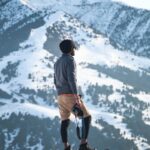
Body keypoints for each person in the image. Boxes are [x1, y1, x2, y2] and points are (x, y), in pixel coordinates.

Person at [54, 39, 94, 150]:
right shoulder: (70, 60)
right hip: (69, 95)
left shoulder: (57, 63)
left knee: (65, 121)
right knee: (87, 116)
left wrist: (60, 93)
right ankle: (83, 145)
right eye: (74, 48)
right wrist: (76, 96)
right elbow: (72, 79)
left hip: (60, 96)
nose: (74, 50)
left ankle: (66, 146)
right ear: (71, 49)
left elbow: (55, 81)